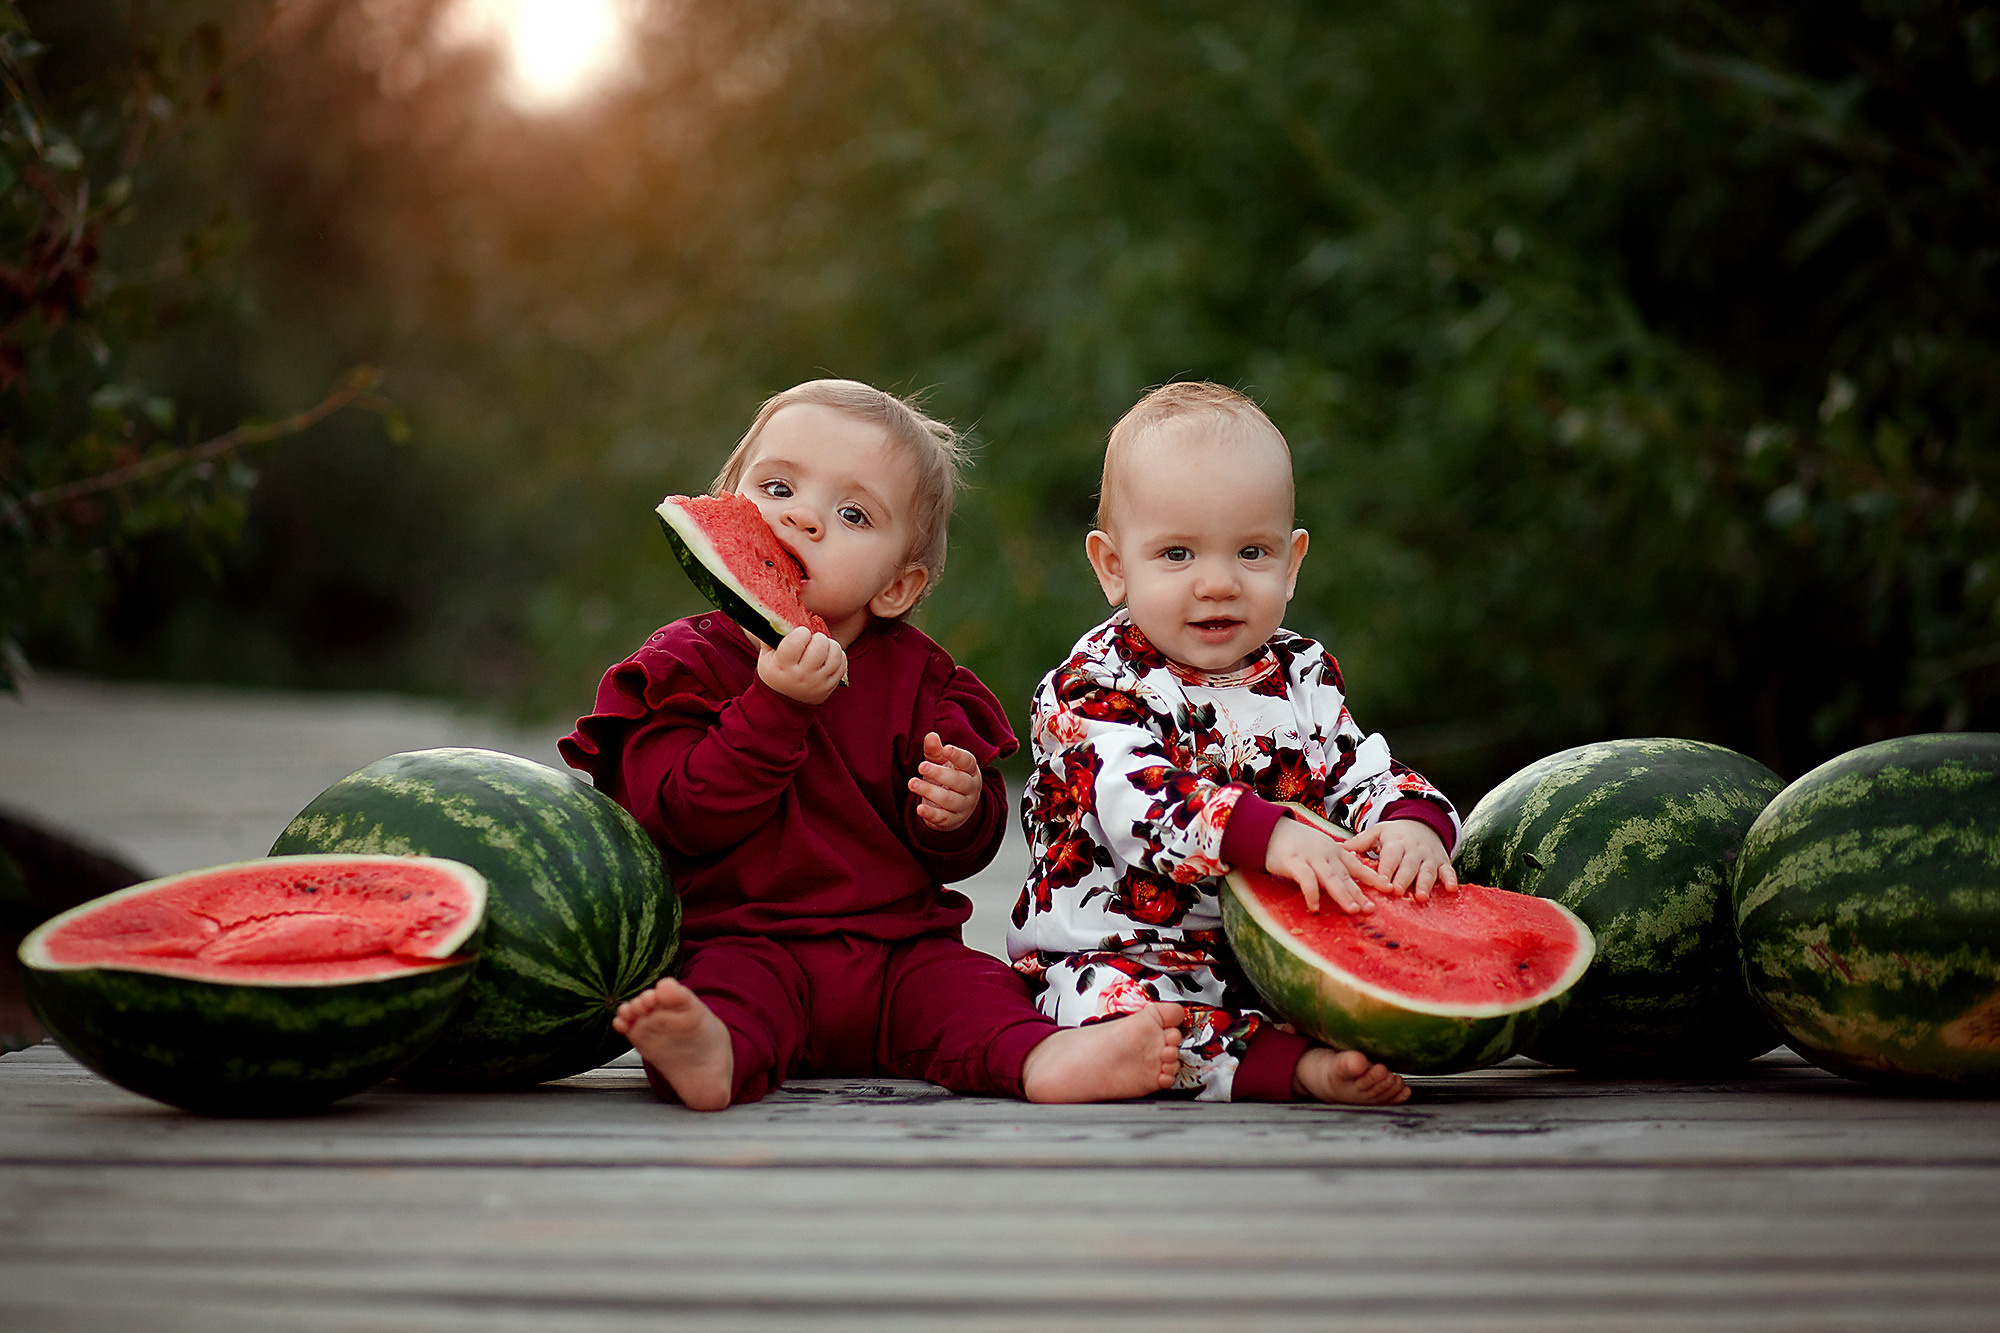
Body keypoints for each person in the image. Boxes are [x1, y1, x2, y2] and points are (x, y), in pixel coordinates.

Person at [560, 379, 1186, 1111]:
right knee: (722, 997)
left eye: (852, 512)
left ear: (897, 585)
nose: (802, 516)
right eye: (777, 485)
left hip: (900, 955)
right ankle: (710, 1054)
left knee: (979, 991)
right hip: (744, 941)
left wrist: (960, 811)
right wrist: (774, 708)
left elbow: (963, 846)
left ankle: (1043, 1060)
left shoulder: (924, 681)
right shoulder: (681, 666)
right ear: (725, 501)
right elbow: (673, 817)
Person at [1006, 381, 1463, 1105]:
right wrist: (1265, 833)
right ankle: (1286, 1070)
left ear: (1292, 561)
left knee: (1363, 988)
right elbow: (1137, 801)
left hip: (1273, 957)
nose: (1217, 583)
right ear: (1112, 565)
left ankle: (1295, 1048)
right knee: (1110, 1015)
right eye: (1178, 553)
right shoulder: (1090, 687)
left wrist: (1412, 820)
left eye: (1251, 551)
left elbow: (1359, 767)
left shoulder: (1302, 674)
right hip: (1124, 951)